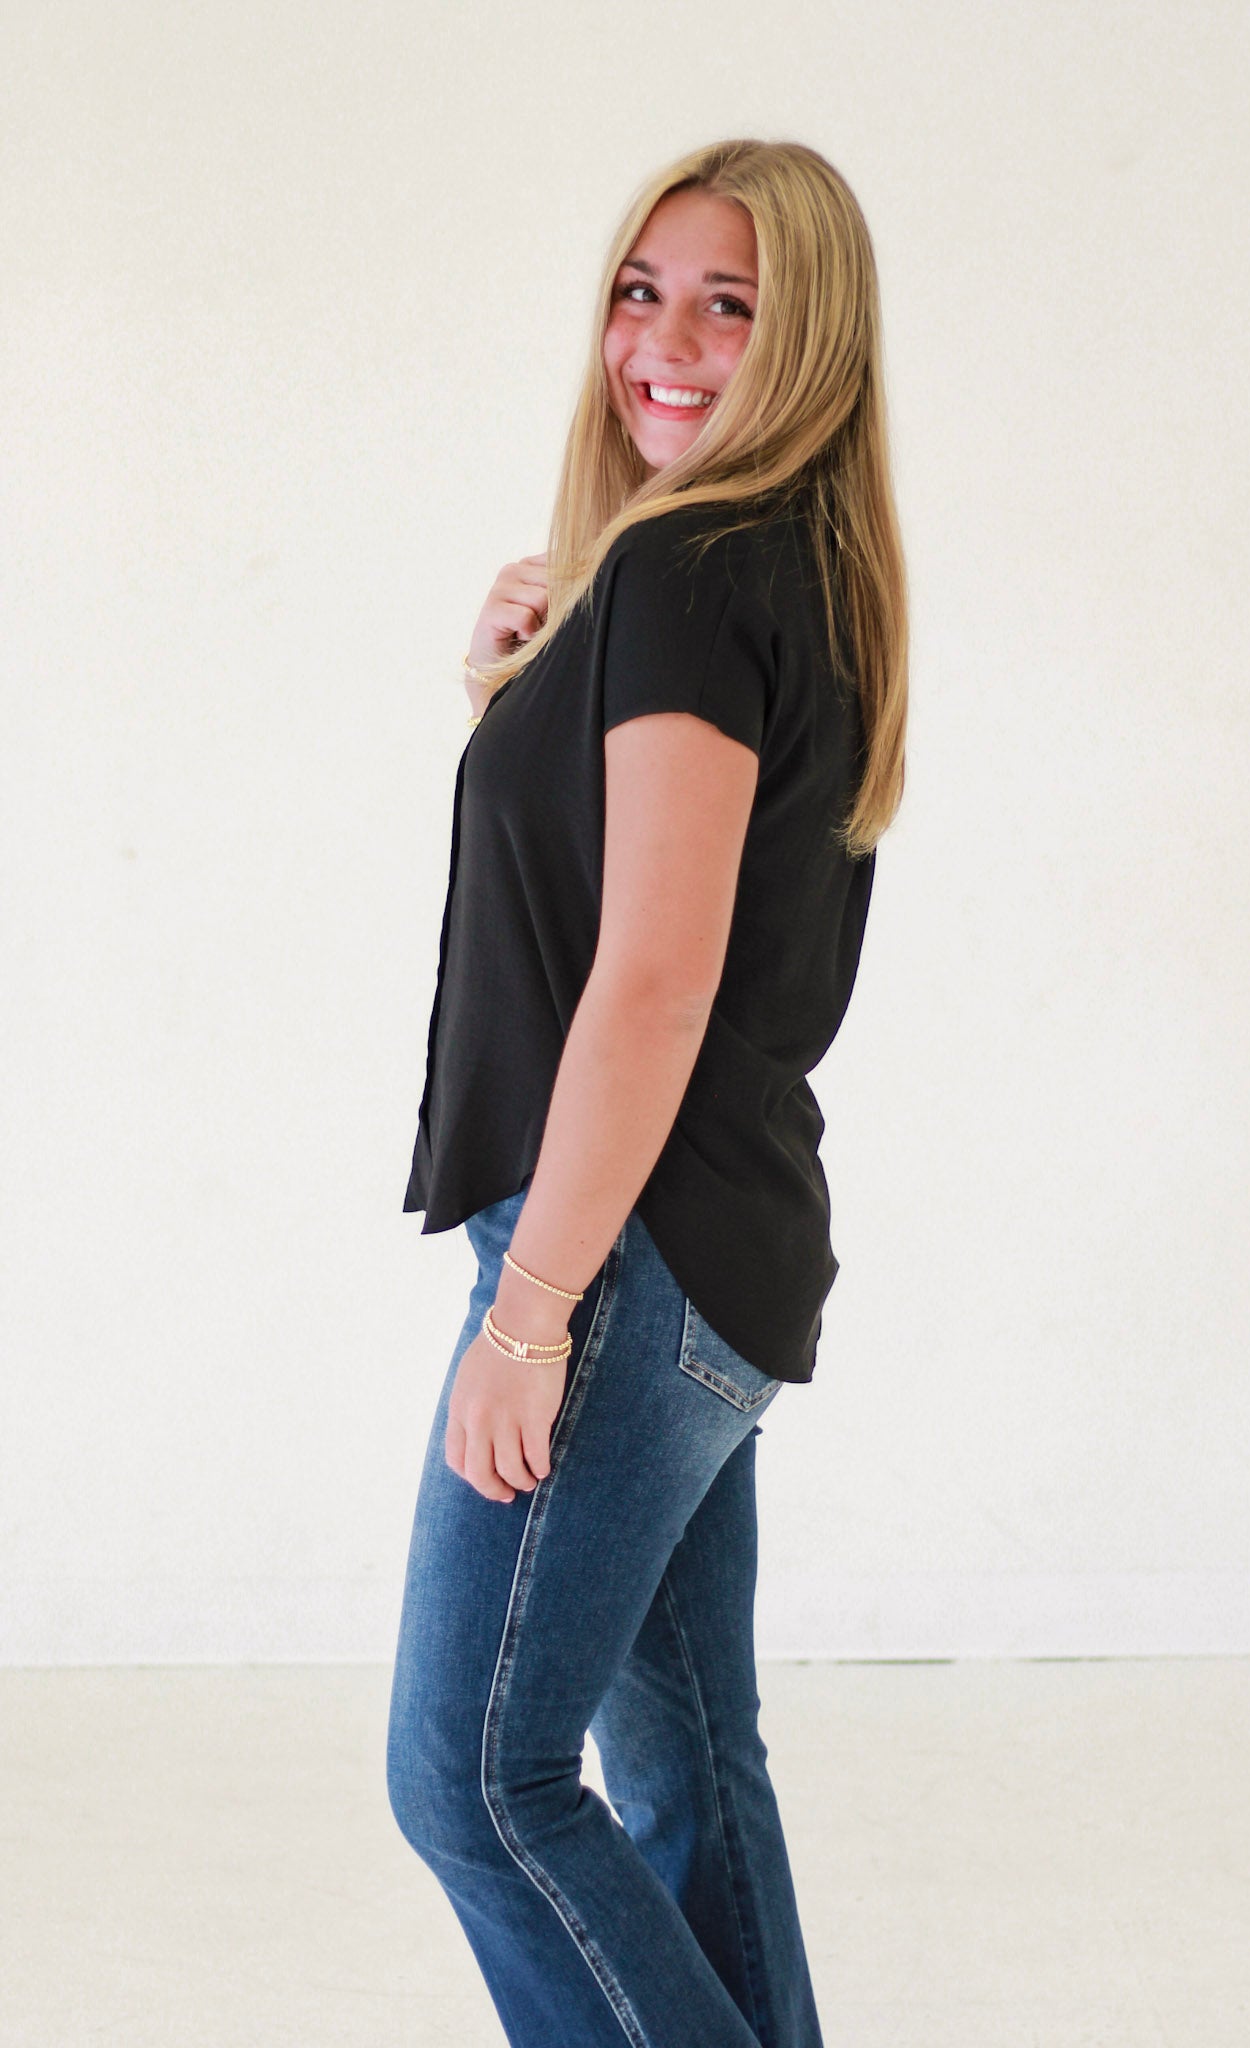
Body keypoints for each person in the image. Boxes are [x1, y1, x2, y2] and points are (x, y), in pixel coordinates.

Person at [386, 136, 909, 2048]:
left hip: (621, 1256)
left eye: (728, 307)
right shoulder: (781, 568)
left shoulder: (689, 571)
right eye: (639, 291)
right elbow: (633, 907)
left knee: (477, 1785)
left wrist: (530, 1314)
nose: (664, 345)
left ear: (808, 343)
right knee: (688, 1767)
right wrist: (509, 703)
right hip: (715, 1251)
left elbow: (657, 979)